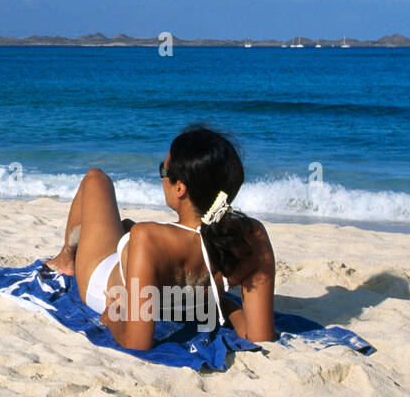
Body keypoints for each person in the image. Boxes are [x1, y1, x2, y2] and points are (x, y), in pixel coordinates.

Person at [45, 125, 276, 351]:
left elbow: (136, 343)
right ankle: (123, 237)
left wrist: (112, 319)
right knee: (127, 229)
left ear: (180, 188)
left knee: (95, 179)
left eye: (163, 171)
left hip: (103, 285)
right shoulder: (253, 236)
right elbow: (260, 337)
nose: (162, 178)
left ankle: (66, 259)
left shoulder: (148, 237)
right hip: (184, 301)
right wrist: (228, 306)